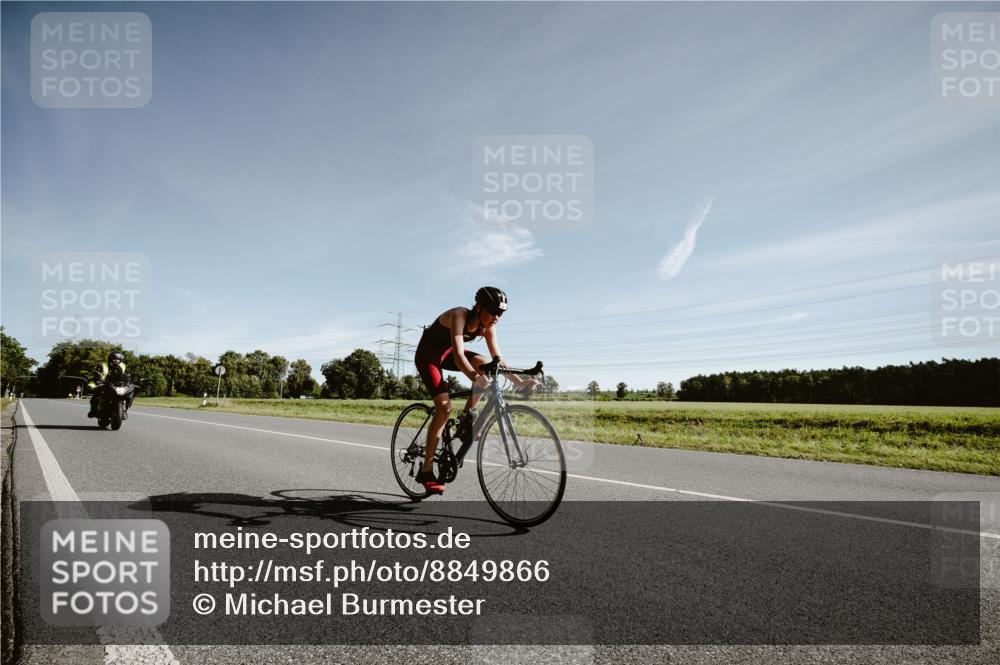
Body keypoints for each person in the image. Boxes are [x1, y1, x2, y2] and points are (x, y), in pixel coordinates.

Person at [412, 287, 538, 494]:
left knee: (488, 366)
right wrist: (475, 378)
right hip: (429, 355)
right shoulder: (458, 315)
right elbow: (460, 356)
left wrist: (519, 382)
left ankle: (466, 418)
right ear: (478, 307)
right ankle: (426, 471)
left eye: (501, 313)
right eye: (493, 311)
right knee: (444, 407)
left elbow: (498, 360)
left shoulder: (489, 325)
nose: (496, 317)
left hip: (448, 353)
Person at [87, 351, 129, 417]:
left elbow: (123, 375)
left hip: (115, 384)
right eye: (114, 359)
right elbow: (96, 372)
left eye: (118, 359)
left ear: (121, 360)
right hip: (102, 383)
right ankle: (93, 410)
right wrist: (97, 375)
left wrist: (127, 381)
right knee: (96, 394)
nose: (116, 361)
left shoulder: (122, 365)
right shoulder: (102, 365)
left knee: (128, 393)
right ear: (110, 359)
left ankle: (124, 411)